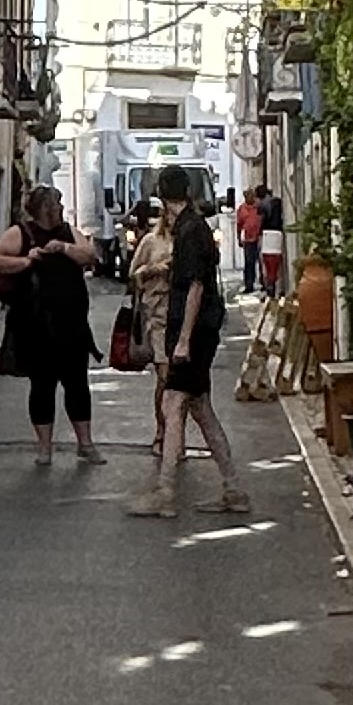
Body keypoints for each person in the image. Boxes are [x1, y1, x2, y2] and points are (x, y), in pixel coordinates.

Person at [127, 165, 249, 519]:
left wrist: (182, 340)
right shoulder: (193, 227)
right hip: (198, 330)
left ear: (162, 196)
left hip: (192, 332)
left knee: (173, 402)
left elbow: (195, 286)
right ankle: (233, 489)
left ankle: (165, 493)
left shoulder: (190, 231)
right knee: (199, 408)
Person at [0, 183, 105, 468]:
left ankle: (85, 443)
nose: (61, 208)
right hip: (35, 326)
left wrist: (64, 248)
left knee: (77, 385)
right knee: (42, 386)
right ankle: (44, 448)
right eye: (57, 204)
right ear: (45, 208)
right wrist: (27, 261)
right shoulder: (20, 233)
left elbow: (90, 256)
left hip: (72, 326)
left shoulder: (68, 232)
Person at [129, 198, 176, 455]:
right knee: (164, 377)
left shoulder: (188, 239)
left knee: (181, 385)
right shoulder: (151, 241)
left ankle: (175, 433)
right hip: (157, 315)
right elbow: (133, 275)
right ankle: (162, 432)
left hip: (182, 316)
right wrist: (154, 269)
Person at [257, 188, 288, 298]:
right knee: (274, 264)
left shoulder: (264, 205)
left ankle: (270, 287)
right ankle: (273, 286)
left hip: (268, 236)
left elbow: (261, 217)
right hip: (276, 235)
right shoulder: (276, 203)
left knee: (268, 264)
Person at [235, 186, 264, 297]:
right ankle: (249, 284)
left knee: (261, 261)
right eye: (248, 196)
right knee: (249, 262)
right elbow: (239, 225)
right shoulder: (241, 209)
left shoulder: (258, 207)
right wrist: (239, 238)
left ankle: (263, 283)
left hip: (259, 237)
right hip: (248, 239)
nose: (251, 198)